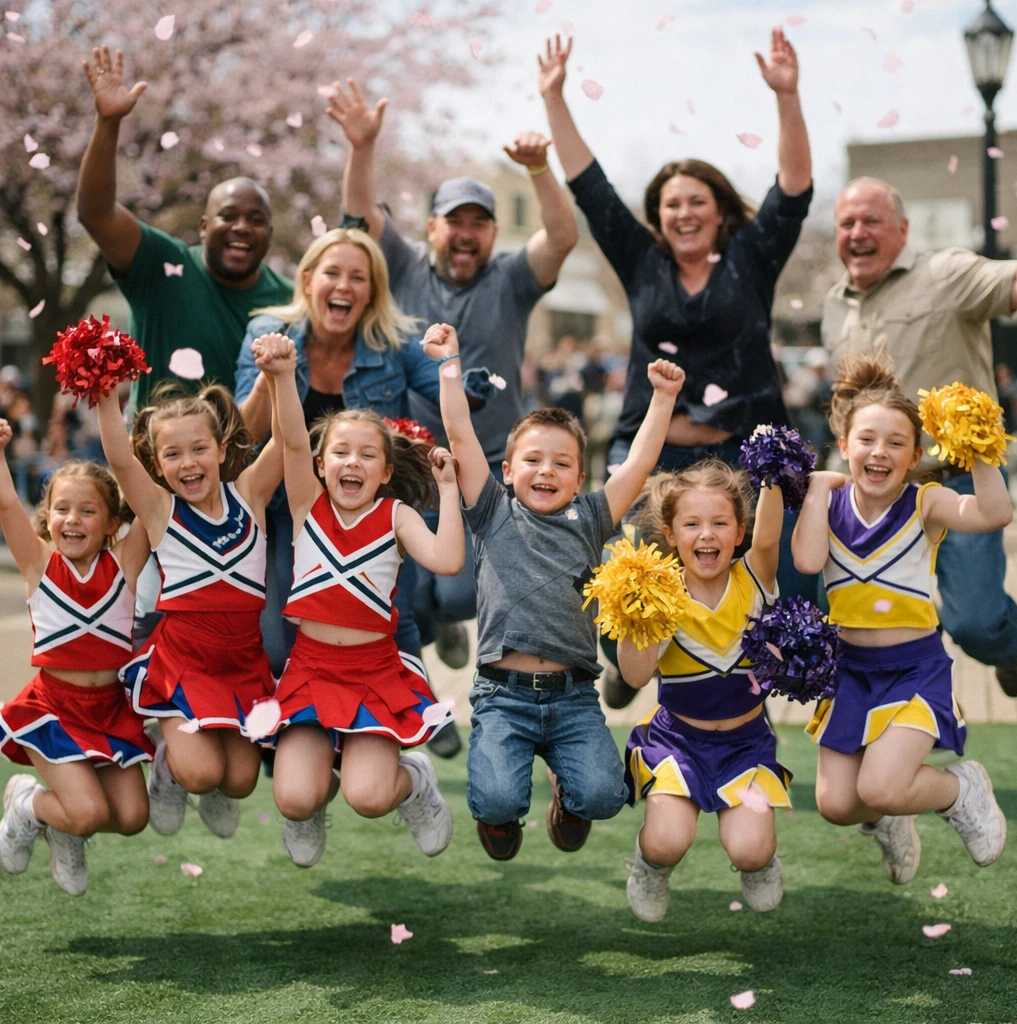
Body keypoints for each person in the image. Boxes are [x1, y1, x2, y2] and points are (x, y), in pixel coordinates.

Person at [538, 30, 815, 708]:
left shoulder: (752, 257)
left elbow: (794, 189)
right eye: (671, 204)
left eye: (697, 200)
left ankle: (766, 691)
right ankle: (625, 663)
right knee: (629, 579)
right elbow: (589, 186)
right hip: (656, 458)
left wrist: (787, 98)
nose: (685, 211)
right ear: (659, 219)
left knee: (778, 589)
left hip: (746, 462)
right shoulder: (642, 261)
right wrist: (554, 99)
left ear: (719, 210)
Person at [331, 78, 579, 672]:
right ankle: (419, 708)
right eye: (455, 220)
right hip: (411, 465)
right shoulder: (404, 267)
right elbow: (360, 218)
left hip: (488, 467)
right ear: (432, 227)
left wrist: (541, 170)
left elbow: (563, 236)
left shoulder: (512, 280)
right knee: (409, 595)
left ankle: (448, 622)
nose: (467, 233)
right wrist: (361, 147)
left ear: (492, 233)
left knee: (459, 593)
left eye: (480, 222)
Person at [422, 321, 684, 861]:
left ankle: (568, 798)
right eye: (534, 461)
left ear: (580, 476)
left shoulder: (591, 517)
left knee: (606, 795)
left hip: (572, 695)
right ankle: (499, 817)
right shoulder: (492, 509)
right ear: (507, 469)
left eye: (563, 464)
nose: (547, 471)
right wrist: (448, 363)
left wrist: (663, 398)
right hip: (502, 696)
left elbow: (637, 465)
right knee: (496, 799)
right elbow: (461, 434)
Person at [234, 227, 488, 760]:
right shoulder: (267, 330)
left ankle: (416, 706)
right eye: (333, 273)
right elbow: (242, 432)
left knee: (394, 611)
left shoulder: (390, 342)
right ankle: (302, 727)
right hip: (294, 506)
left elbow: (448, 383)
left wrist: (465, 377)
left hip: (372, 509)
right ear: (308, 281)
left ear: (371, 293)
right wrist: (272, 373)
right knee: (283, 640)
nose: (344, 286)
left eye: (359, 277)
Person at [792, 356, 1010, 885]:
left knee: (884, 786)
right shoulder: (830, 501)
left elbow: (993, 513)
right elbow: (805, 561)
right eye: (867, 439)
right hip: (849, 673)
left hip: (913, 670)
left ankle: (961, 789)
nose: (880, 452)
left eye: (896, 443)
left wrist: (979, 448)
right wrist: (818, 491)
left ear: (915, 455)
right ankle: (888, 820)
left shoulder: (925, 502)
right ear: (844, 445)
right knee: (838, 804)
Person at [256, 333, 462, 867]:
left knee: (368, 797)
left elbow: (447, 562)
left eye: (367, 455)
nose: (353, 462)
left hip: (374, 670)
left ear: (386, 471)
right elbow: (294, 442)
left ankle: (414, 782)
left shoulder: (397, 516)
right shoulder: (305, 504)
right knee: (294, 798)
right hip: (311, 669)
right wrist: (282, 375)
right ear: (322, 466)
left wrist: (451, 491)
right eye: (340, 453)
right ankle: (308, 808)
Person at [821, 177, 1017, 697]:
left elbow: (1015, 282)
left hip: (956, 486)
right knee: (856, 616)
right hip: (876, 497)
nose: (858, 233)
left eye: (872, 221)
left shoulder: (946, 273)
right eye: (847, 223)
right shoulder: (832, 306)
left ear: (903, 229)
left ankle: (1012, 650)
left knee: (976, 623)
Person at [95, 380, 283, 840]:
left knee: (239, 781)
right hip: (184, 666)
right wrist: (103, 395)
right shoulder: (161, 511)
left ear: (221, 450)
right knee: (201, 773)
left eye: (199, 448)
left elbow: (287, 443)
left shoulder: (250, 496)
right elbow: (120, 459)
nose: (188, 463)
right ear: (157, 466)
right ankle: (169, 764)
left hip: (242, 666)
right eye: (172, 455)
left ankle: (196, 763)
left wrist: (280, 377)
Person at [618, 460, 789, 921]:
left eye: (720, 523)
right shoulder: (662, 592)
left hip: (745, 746)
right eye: (691, 524)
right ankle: (649, 867)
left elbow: (771, 537)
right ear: (670, 536)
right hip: (677, 744)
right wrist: (635, 614)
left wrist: (775, 469)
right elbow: (634, 677)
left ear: (740, 532)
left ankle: (759, 863)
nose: (707, 534)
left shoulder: (754, 577)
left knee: (750, 848)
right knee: (667, 841)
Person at [76, 46, 292, 409]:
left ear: (270, 234)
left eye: (256, 221)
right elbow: (96, 214)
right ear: (204, 226)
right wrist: (108, 123)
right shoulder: (160, 264)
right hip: (148, 461)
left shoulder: (289, 302)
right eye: (228, 216)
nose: (242, 227)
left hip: (237, 463)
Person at [0, 444, 152, 896]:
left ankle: (60, 824)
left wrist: (142, 442)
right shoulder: (39, 564)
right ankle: (28, 805)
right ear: (46, 518)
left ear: (111, 523)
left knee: (131, 817)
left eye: (88, 511)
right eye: (62, 509)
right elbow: (8, 503)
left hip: (109, 710)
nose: (72, 519)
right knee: (86, 812)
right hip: (54, 710)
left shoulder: (123, 564)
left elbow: (149, 500)